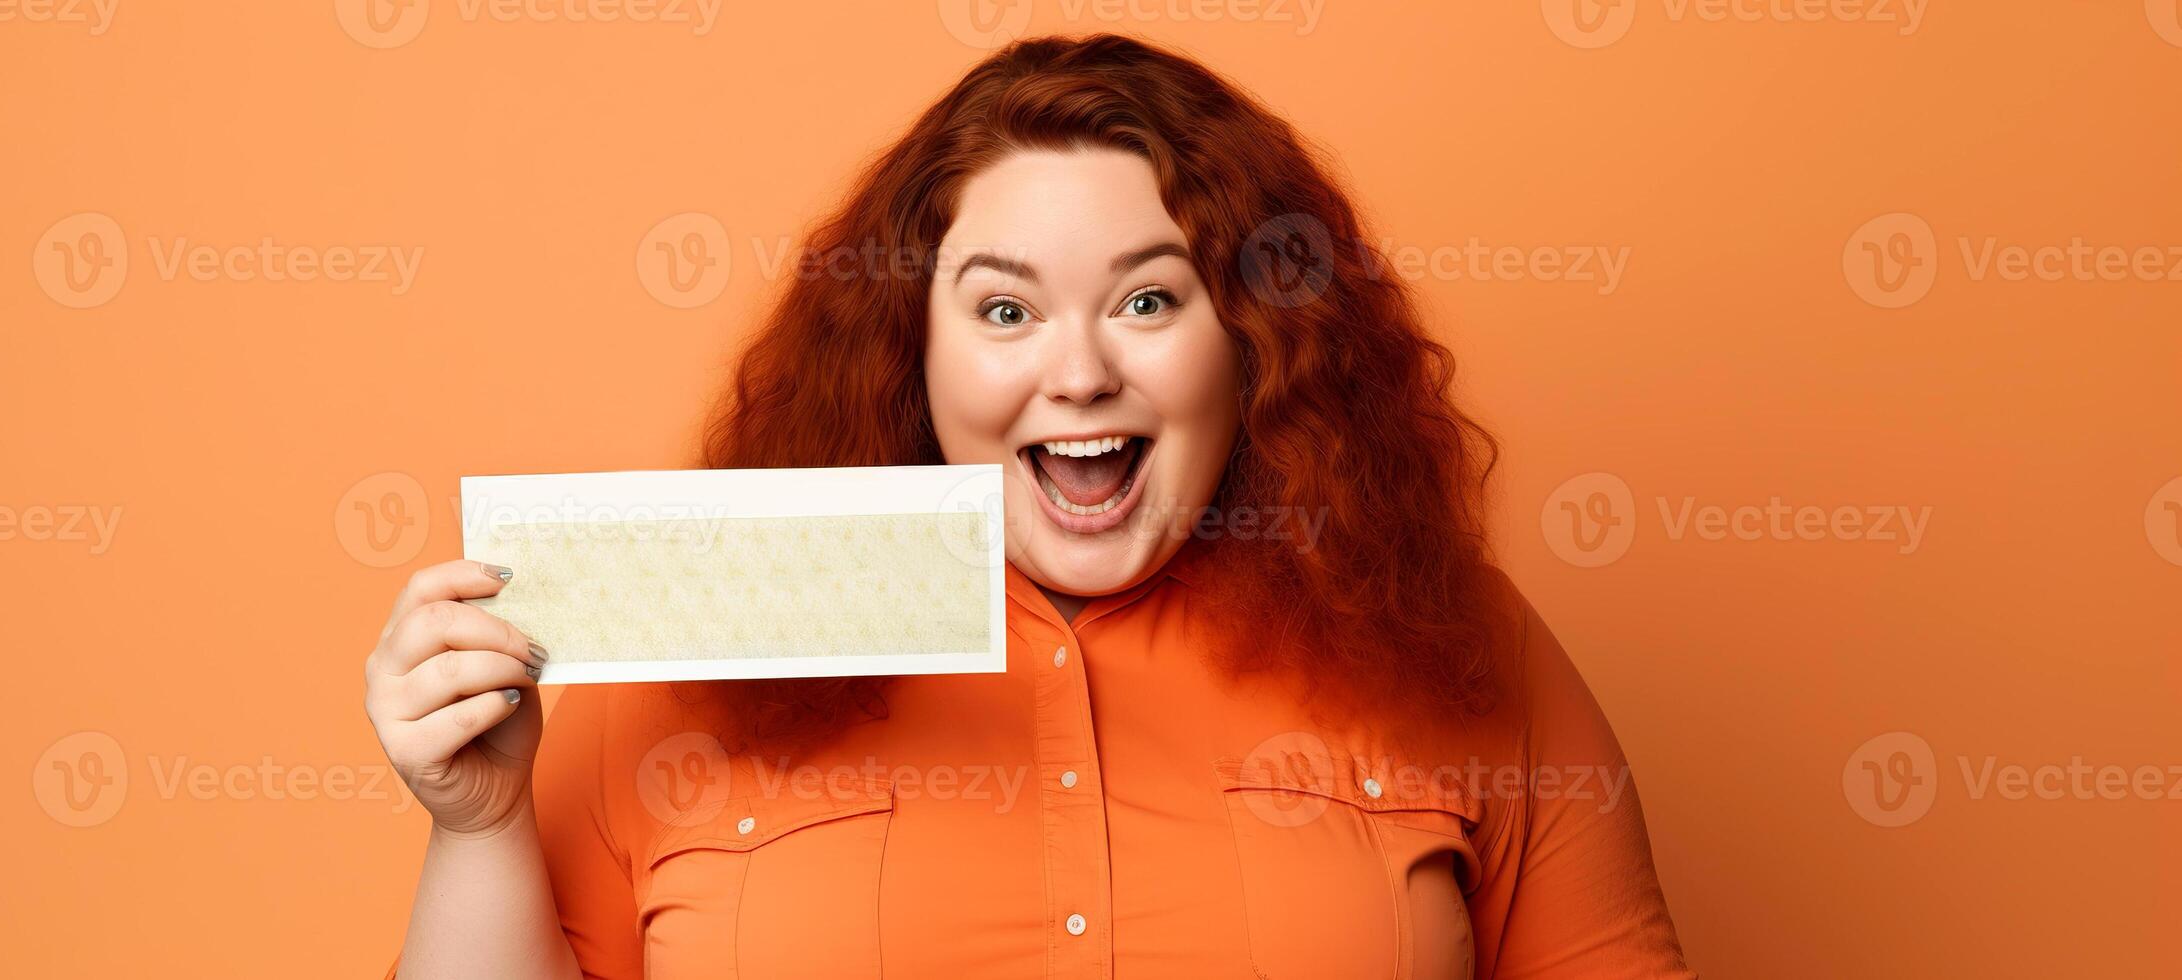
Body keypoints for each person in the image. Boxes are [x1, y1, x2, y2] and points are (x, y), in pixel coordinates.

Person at [364, 33, 1694, 979]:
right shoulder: (699, 648)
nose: (1077, 371)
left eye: (1147, 300)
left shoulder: (1446, 639)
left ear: (1253, 339)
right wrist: (476, 830)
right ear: (911, 349)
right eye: (1004, 310)